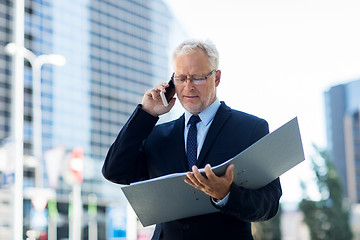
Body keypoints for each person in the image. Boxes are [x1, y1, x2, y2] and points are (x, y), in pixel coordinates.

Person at [102, 39, 282, 240]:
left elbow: (269, 203)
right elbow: (115, 171)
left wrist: (226, 194)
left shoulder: (251, 129)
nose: (188, 87)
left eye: (197, 77)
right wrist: (146, 114)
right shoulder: (157, 135)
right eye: (180, 78)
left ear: (217, 78)